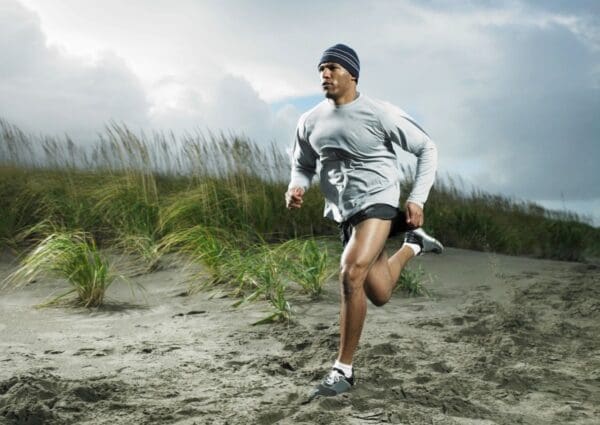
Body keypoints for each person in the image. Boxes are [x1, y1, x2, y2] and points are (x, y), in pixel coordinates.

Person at [285, 43, 443, 399]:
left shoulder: (379, 113)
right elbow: (303, 165)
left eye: (332, 68)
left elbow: (426, 148)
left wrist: (416, 197)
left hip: (380, 201)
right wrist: (297, 187)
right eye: (321, 69)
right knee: (380, 292)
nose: (325, 75)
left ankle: (343, 371)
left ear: (351, 74)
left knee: (350, 272)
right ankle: (413, 244)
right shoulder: (309, 120)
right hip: (345, 212)